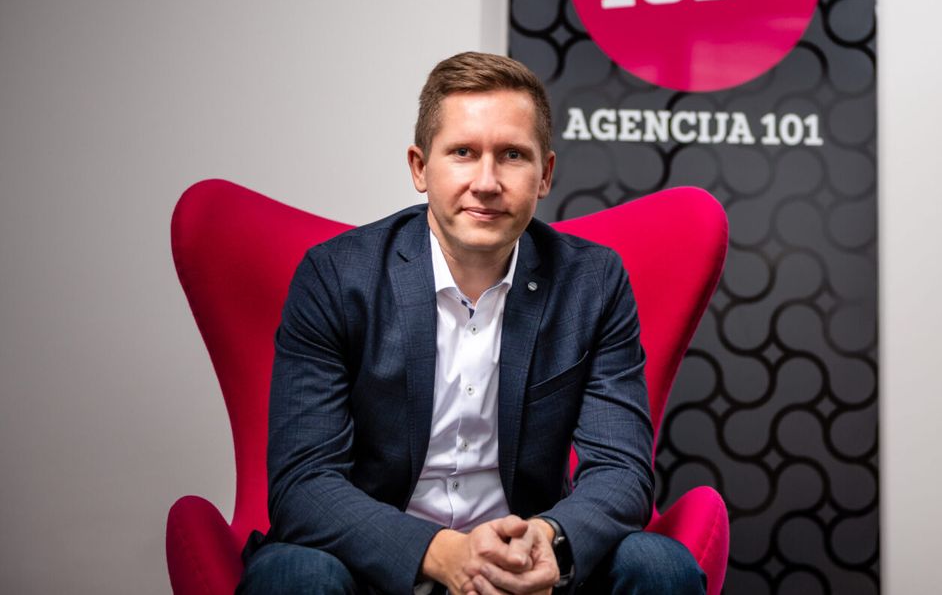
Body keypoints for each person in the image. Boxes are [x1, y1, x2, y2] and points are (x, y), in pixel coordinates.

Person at [236, 52, 706, 595]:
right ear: (420, 167)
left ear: (545, 174)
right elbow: (303, 482)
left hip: (529, 565)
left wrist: (549, 541)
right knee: (291, 574)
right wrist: (442, 554)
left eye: (512, 155)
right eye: (463, 152)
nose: (486, 182)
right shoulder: (336, 277)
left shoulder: (592, 283)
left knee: (659, 565)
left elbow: (622, 471)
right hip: (379, 566)